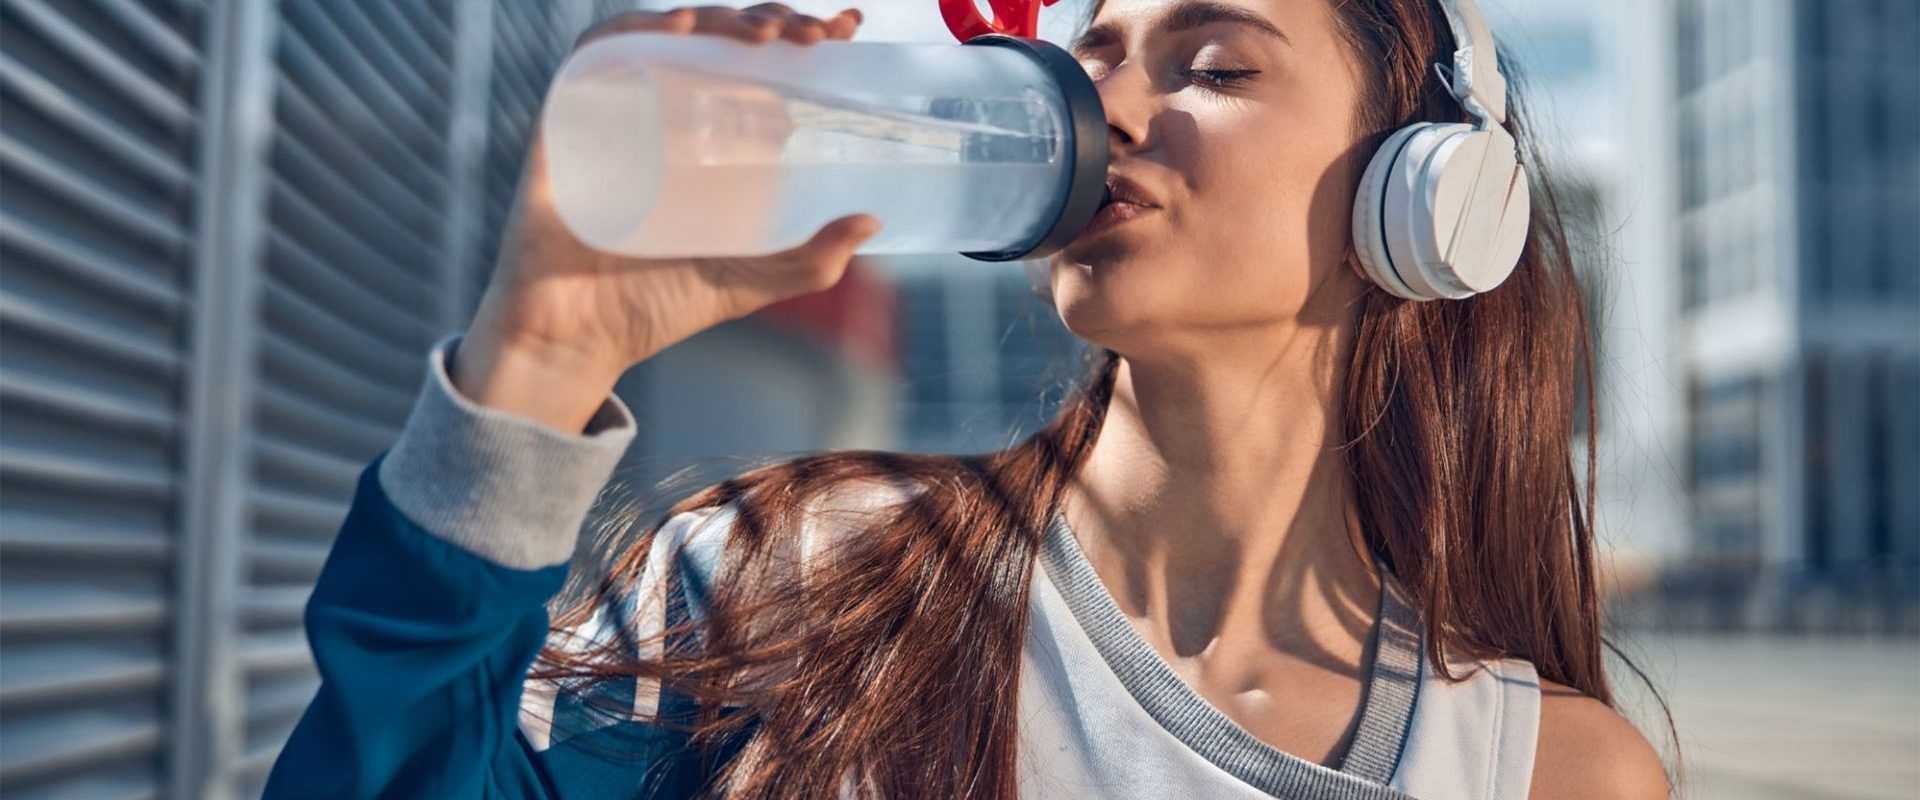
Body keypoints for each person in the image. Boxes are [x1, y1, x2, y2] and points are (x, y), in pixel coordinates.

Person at [262, 1, 1670, 797]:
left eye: (1216, 65)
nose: (1107, 109)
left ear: (1422, 198)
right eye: (1094, 55)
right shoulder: (783, 586)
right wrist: (542, 358)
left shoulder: (1547, 772)